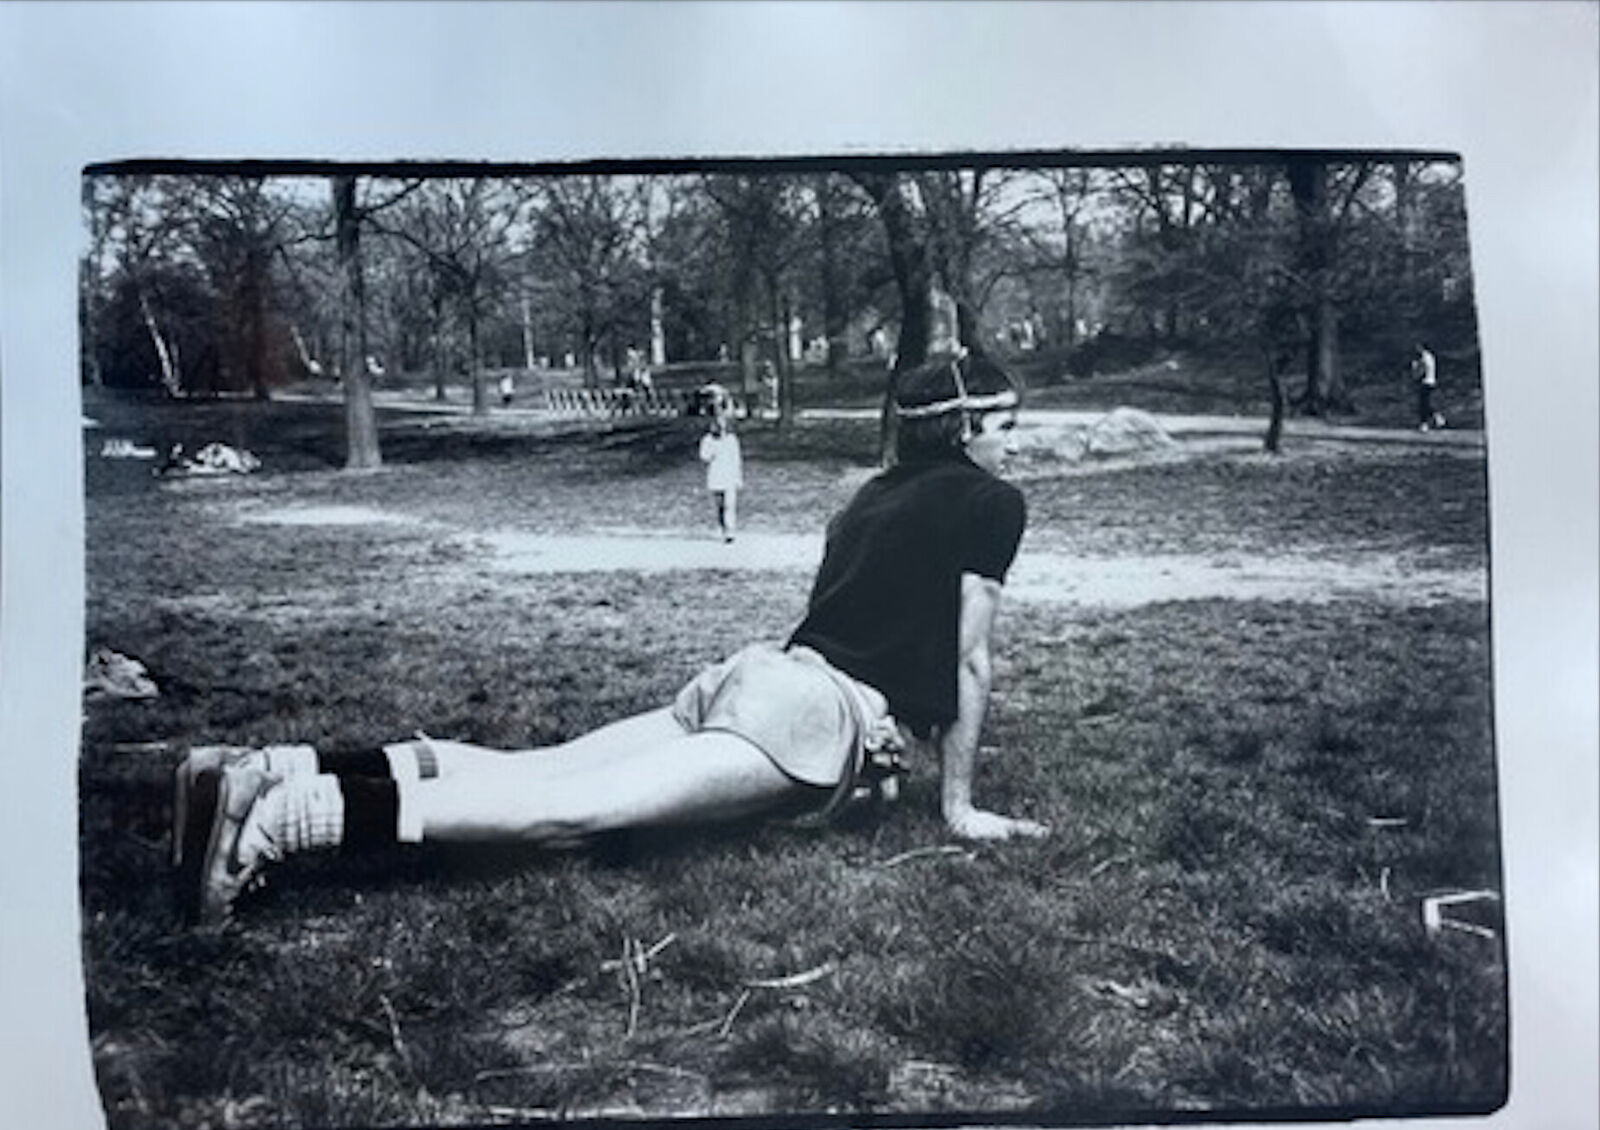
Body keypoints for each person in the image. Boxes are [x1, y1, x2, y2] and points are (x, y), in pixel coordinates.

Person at [175, 349, 1049, 927]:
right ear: (965, 428)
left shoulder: (867, 493)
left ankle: (278, 764)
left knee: (544, 767)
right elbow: (971, 658)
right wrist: (958, 806)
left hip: (760, 672)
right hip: (815, 715)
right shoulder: (991, 502)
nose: (1017, 442)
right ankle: (280, 825)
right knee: (570, 816)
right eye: (1006, 425)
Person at [695, 384, 744, 542]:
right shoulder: (708, 441)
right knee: (720, 505)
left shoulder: (731, 440)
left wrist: (738, 477)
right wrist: (712, 451)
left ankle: (730, 530)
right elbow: (704, 457)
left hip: (729, 475)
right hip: (716, 475)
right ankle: (723, 527)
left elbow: (736, 460)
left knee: (730, 504)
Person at [1410, 343, 1444, 431]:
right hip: (1431, 381)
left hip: (1425, 382)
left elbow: (1422, 370)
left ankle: (1425, 423)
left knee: (1423, 404)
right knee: (1426, 403)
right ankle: (1437, 418)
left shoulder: (1424, 357)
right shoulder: (1429, 357)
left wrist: (1415, 370)